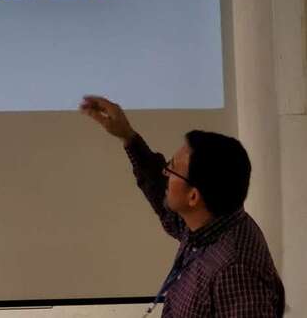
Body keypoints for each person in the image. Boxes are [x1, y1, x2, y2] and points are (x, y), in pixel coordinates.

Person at [79, 96, 285, 317]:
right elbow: (160, 192)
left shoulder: (234, 270)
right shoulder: (212, 221)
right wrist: (127, 135)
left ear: (193, 196)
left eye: (172, 167)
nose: (165, 172)